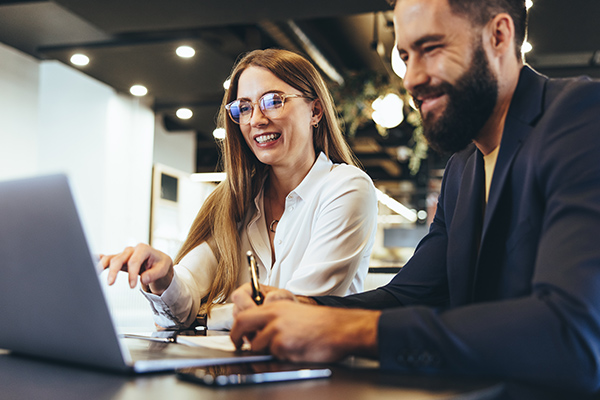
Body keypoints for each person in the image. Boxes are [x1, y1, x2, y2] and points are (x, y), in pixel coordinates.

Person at [230, 0, 600, 393]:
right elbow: (408, 296)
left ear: (499, 35)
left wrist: (355, 330)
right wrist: (302, 307)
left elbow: (573, 334)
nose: (410, 78)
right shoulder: (463, 167)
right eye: (405, 55)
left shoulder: (581, 118)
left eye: (431, 48)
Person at [101, 49, 378, 330]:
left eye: (273, 101)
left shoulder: (347, 188)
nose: (256, 119)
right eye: (244, 107)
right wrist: (164, 278)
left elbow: (297, 311)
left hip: (321, 371)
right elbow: (184, 297)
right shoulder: (235, 200)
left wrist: (204, 316)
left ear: (315, 111)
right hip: (241, 371)